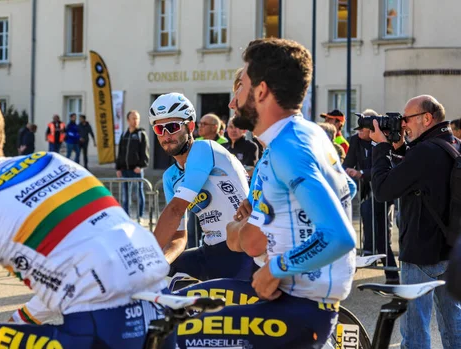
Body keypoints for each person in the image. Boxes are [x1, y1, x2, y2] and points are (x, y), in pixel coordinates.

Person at [0, 84, 170, 349]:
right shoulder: (53, 161)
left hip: (104, 324)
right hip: (161, 305)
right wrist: (22, 318)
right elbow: (78, 257)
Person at [192, 37, 357, 348]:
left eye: (240, 88)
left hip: (299, 309)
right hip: (301, 304)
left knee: (169, 332)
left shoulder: (287, 148)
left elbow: (339, 236)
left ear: (261, 91)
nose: (234, 99)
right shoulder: (307, 134)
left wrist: (275, 268)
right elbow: (347, 189)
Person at [370, 95, 461, 349]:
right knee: (453, 323)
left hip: (421, 253)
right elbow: (425, 176)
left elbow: (383, 190)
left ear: (427, 118)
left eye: (407, 118)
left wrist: (381, 148)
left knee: (414, 331)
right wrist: (400, 148)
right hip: (450, 249)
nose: (402, 125)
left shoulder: (424, 152)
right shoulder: (453, 145)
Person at [149, 92, 256, 281]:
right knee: (166, 275)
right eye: (159, 129)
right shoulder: (170, 177)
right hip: (210, 252)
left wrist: (145, 263)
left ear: (190, 126)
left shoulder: (204, 149)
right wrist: (161, 263)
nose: (166, 135)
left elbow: (175, 210)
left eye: (173, 127)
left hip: (241, 251)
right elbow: (178, 237)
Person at [344, 109, 399, 284]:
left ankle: (390, 274)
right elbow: (347, 164)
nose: (359, 132)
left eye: (362, 129)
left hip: (383, 195)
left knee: (382, 235)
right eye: (358, 129)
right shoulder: (355, 141)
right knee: (369, 218)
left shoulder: (384, 141)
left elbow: (386, 167)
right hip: (367, 193)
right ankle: (369, 253)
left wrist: (361, 173)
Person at [115, 110, 149, 219]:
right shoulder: (124, 134)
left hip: (136, 170)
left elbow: (145, 152)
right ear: (128, 120)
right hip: (125, 170)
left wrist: (141, 166)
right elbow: (120, 152)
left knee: (139, 194)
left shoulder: (141, 134)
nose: (135, 121)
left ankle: (140, 216)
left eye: (137, 118)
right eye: (133, 118)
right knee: (125, 196)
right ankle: (126, 217)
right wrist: (118, 168)